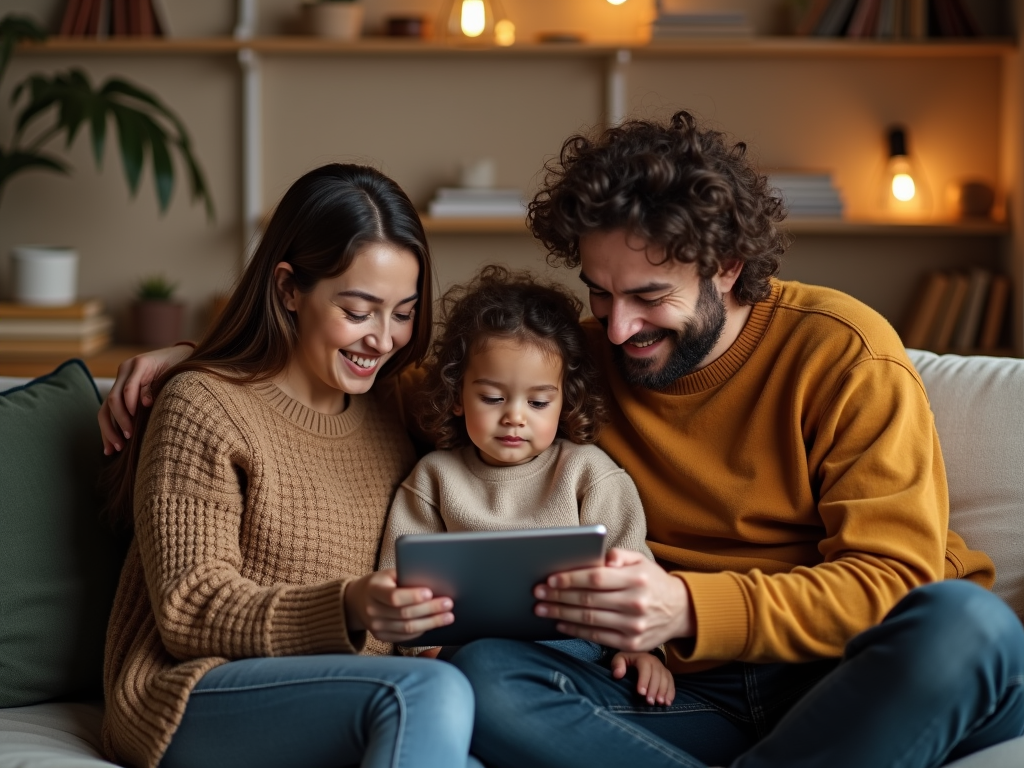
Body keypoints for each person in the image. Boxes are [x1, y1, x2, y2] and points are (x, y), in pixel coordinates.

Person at [100, 114, 1024, 768]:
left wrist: (688, 609)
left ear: (728, 269)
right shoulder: (569, 364)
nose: (617, 331)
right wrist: (211, 355)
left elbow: (893, 582)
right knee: (487, 676)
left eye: (650, 299)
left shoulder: (845, 354)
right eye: (599, 294)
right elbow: (374, 373)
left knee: (968, 628)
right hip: (676, 696)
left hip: (836, 677)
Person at [98, 164, 478, 768]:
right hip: (191, 692)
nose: (384, 339)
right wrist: (349, 605)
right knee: (427, 697)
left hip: (345, 695)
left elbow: (520, 386)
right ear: (288, 290)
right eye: (359, 311)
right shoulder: (203, 406)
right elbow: (189, 608)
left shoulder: (396, 402)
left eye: (403, 312)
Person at [377, 266, 673, 704]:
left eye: (537, 402)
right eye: (493, 398)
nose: (515, 416)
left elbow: (634, 568)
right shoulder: (433, 478)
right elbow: (398, 580)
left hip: (576, 653)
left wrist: (644, 648)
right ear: (457, 396)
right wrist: (426, 651)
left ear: (565, 399)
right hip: (465, 653)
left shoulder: (588, 473)